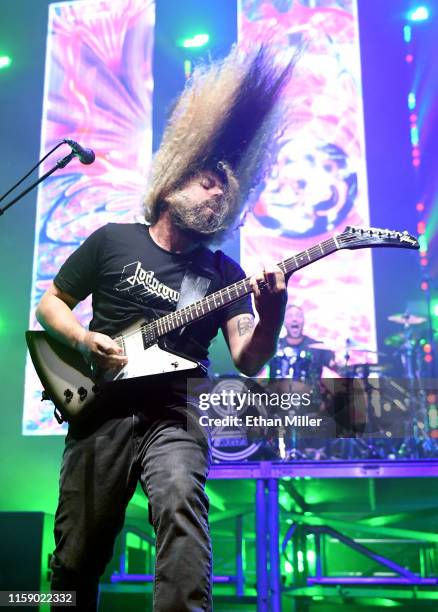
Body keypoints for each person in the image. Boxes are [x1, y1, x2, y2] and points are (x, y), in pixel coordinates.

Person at [35, 46, 297, 611]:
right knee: (75, 557)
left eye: (224, 190)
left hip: (175, 413)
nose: (216, 194)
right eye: (207, 182)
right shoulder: (112, 239)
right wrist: (85, 340)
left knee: (181, 504)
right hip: (101, 409)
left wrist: (272, 310)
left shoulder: (222, 273)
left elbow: (248, 358)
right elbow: (50, 306)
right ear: (175, 180)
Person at [269, 304, 336, 381]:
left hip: (310, 392)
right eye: (289, 316)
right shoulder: (273, 346)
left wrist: (340, 361)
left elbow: (337, 366)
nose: (294, 319)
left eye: (298, 316)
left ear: (304, 321)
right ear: (283, 321)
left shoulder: (318, 347)